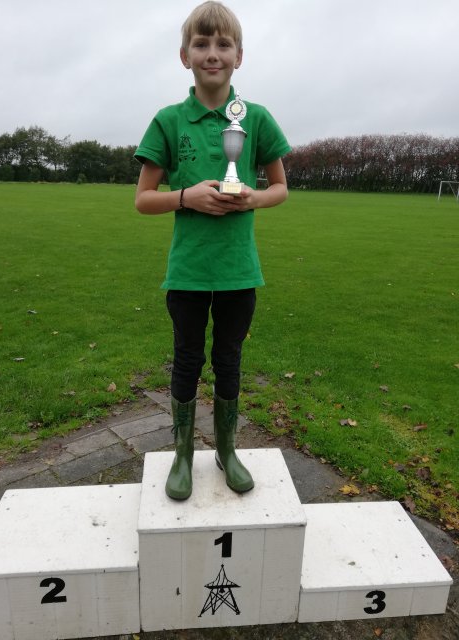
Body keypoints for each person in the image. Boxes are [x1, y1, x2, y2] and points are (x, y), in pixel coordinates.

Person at [134, 1, 291, 500]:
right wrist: (187, 196)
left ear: (238, 56)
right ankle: (182, 454)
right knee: (186, 361)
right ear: (185, 56)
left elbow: (280, 188)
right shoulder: (168, 120)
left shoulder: (256, 118)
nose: (212, 53)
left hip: (238, 271)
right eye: (201, 44)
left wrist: (252, 198)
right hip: (187, 272)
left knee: (229, 360)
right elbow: (143, 200)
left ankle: (226, 449)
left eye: (223, 44)